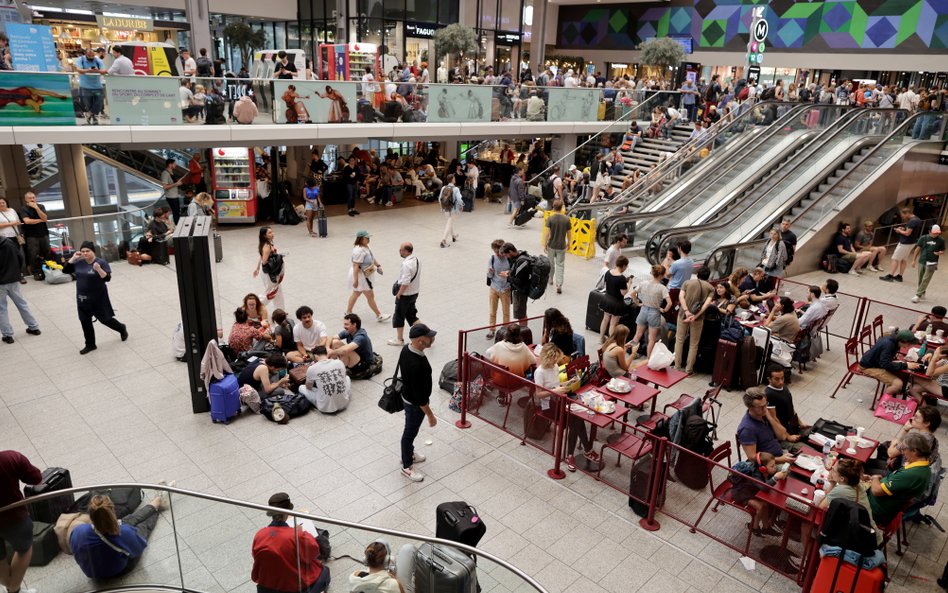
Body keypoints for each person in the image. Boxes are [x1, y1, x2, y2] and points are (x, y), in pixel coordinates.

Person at [70, 491, 166, 579]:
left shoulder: (79, 530)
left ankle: (155, 503)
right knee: (142, 527)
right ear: (113, 510)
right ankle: (157, 506)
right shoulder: (124, 533)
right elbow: (137, 549)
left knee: (127, 522)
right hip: (118, 571)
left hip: (91, 573)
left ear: (90, 515)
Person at [252, 492, 330, 593]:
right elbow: (313, 552)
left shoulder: (260, 535)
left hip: (268, 586)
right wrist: (300, 533)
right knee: (325, 571)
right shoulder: (297, 536)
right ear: (287, 512)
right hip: (294, 586)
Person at [66, 242, 128, 355]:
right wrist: (73, 258)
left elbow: (107, 278)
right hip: (82, 299)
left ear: (93, 251)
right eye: (83, 251)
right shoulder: (79, 262)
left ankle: (121, 328)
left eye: (87, 251)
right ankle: (90, 345)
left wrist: (98, 269)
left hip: (98, 298)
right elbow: (65, 270)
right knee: (85, 321)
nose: (85, 253)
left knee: (105, 319)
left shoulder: (101, 262)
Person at [867, 432, 933, 528]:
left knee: (842, 491)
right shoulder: (924, 467)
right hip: (886, 504)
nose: (902, 452)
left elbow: (876, 491)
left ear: (914, 451)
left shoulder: (910, 474)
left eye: (904, 449)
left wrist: (875, 478)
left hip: (874, 509)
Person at [398, 324, 437, 482]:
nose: (433, 338)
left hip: (409, 396)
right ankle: (407, 466)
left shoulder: (407, 349)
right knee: (409, 433)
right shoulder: (416, 365)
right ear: (420, 341)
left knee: (410, 431)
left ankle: (410, 454)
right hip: (415, 404)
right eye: (430, 337)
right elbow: (420, 398)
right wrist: (430, 416)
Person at [0, 450, 42, 593]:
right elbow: (37, 479)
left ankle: (14, 590)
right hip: (14, 517)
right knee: (24, 550)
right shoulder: (10, 458)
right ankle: (13, 590)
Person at [729, 451, 788, 536]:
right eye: (772, 466)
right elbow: (764, 487)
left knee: (765, 504)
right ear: (762, 468)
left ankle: (766, 527)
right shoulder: (755, 475)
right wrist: (775, 478)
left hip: (752, 491)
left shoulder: (764, 471)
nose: (774, 467)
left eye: (774, 465)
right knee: (760, 506)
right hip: (742, 494)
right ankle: (754, 527)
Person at [737, 390, 797, 463]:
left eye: (765, 404)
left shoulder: (764, 414)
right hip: (769, 464)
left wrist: (770, 418)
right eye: (761, 407)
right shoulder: (747, 429)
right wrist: (779, 460)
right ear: (750, 407)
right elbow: (752, 458)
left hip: (780, 451)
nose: (765, 408)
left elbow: (782, 436)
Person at [674, 265, 714, 374]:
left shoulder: (687, 283)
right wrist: (695, 316)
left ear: (697, 274)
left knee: (679, 340)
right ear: (708, 276)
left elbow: (681, 297)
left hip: (683, 315)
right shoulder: (711, 288)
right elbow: (706, 305)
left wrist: (687, 311)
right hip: (698, 318)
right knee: (694, 344)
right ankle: (689, 369)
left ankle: (677, 366)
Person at [0, 237, 40, 344]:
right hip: (13, 279)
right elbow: (20, 257)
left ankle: (8, 335)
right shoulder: (8, 242)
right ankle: (34, 327)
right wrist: (17, 273)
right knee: (22, 304)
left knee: (1, 309)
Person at [858, 329, 922, 396]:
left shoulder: (893, 340)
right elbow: (885, 364)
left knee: (902, 374)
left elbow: (884, 359)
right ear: (903, 341)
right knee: (898, 384)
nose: (909, 346)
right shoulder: (888, 345)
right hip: (868, 366)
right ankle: (883, 403)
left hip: (875, 362)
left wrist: (898, 361)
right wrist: (905, 365)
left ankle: (896, 394)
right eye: (909, 344)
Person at [345, 231, 390, 323]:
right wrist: (356, 280)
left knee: (356, 293)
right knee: (369, 295)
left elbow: (372, 258)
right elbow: (355, 266)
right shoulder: (358, 251)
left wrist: (378, 265)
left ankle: (348, 312)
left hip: (365, 275)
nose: (368, 239)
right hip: (361, 276)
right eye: (366, 238)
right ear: (361, 239)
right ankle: (379, 315)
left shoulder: (366, 246)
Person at [629, 264, 671, 360]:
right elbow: (669, 303)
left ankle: (632, 355)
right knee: (652, 339)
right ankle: (648, 359)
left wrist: (638, 303)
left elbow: (632, 293)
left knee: (637, 335)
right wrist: (664, 310)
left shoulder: (644, 283)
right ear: (661, 275)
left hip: (643, 310)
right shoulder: (662, 288)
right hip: (654, 312)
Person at [299, 345, 351, 413]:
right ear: (326, 354)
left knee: (301, 387)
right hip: (344, 403)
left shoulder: (312, 368)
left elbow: (309, 387)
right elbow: (343, 378)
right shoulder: (339, 362)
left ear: (315, 356)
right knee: (347, 378)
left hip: (325, 408)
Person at [764, 366, 809, 440]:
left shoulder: (784, 387)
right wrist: (788, 436)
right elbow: (774, 419)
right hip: (783, 434)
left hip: (793, 427)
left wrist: (800, 423)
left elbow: (791, 408)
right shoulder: (769, 394)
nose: (781, 382)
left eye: (782, 378)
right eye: (777, 379)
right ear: (769, 379)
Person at [389, 243, 421, 347]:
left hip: (405, 295)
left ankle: (399, 339)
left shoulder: (406, 264)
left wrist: (399, 294)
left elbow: (405, 282)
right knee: (411, 316)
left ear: (406, 251)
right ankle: (425, 332)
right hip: (414, 292)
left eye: (401, 250)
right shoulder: (417, 260)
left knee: (399, 316)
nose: (399, 252)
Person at [329, 313, 377, 378]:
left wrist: (331, 352)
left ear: (354, 325)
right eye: (344, 324)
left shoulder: (361, 336)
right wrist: (327, 348)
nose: (344, 326)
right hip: (355, 357)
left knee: (345, 350)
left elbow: (345, 350)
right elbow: (331, 337)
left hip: (364, 364)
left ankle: (338, 372)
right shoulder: (349, 331)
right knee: (335, 342)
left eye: (346, 324)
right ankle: (333, 366)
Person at [881, 207, 922, 282]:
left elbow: (907, 233)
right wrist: (903, 229)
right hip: (911, 243)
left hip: (905, 243)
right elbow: (911, 231)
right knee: (903, 259)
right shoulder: (917, 219)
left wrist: (899, 230)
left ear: (907, 213)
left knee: (895, 258)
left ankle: (890, 276)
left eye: (903, 215)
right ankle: (900, 276)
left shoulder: (912, 221)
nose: (902, 216)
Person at [599, 255, 633, 342]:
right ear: (624, 266)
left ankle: (601, 338)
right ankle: (611, 343)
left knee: (605, 319)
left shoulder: (608, 272)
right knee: (613, 324)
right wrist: (629, 284)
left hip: (606, 299)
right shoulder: (621, 278)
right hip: (616, 303)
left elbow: (610, 284)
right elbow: (623, 293)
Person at [18, 192, 49, 279]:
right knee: (33, 255)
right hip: (31, 236)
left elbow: (45, 218)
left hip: (44, 233)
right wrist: (40, 220)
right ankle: (36, 273)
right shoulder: (23, 209)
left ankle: (49, 269)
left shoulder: (41, 206)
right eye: (30, 198)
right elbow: (27, 221)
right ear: (26, 199)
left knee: (47, 252)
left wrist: (36, 208)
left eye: (33, 197)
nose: (32, 199)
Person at [911, 224, 945, 303]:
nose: (936, 234)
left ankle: (917, 295)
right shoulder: (923, 238)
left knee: (926, 279)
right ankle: (922, 292)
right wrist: (913, 260)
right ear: (929, 231)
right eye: (934, 233)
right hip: (922, 261)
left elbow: (942, 250)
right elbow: (917, 249)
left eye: (937, 233)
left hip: (933, 262)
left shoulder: (941, 240)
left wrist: (940, 252)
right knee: (921, 278)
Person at [544, 199, 571, 294]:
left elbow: (547, 233)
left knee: (550, 263)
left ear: (553, 207)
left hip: (551, 245)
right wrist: (569, 243)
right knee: (560, 265)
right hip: (561, 246)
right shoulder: (566, 219)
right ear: (562, 207)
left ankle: (550, 279)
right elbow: (569, 233)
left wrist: (544, 244)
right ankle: (559, 284)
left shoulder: (550, 219)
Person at [486, 239, 511, 338]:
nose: (497, 253)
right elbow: (490, 275)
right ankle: (492, 329)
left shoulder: (508, 259)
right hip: (494, 288)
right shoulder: (492, 259)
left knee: (506, 312)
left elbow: (512, 273)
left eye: (498, 251)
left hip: (506, 289)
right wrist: (490, 271)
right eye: (495, 251)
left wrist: (509, 282)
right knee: (492, 311)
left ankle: (506, 330)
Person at [75, 47, 105, 125]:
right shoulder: (80, 60)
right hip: (85, 86)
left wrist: (97, 70)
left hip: (97, 86)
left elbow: (103, 71)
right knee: (87, 104)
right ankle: (94, 117)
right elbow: (79, 70)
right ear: (86, 54)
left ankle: (90, 114)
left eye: (92, 56)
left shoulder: (98, 60)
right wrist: (88, 70)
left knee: (99, 102)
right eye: (89, 56)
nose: (91, 58)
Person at [666, 241, 694, 322]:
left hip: (674, 289)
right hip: (684, 289)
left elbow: (668, 275)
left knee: (670, 308)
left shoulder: (677, 263)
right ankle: (676, 323)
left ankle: (668, 324)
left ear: (680, 249)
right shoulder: (691, 262)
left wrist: (668, 265)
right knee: (677, 308)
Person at [439, 174, 462, 248]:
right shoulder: (456, 189)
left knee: (449, 222)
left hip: (446, 208)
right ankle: (443, 240)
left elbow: (440, 198)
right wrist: (462, 205)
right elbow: (459, 199)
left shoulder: (443, 188)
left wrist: (442, 208)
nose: (455, 179)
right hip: (453, 209)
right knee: (449, 223)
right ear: (452, 180)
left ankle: (453, 236)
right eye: (454, 178)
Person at [160, 158, 185, 223]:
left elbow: (172, 184)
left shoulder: (170, 172)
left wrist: (177, 183)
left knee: (177, 212)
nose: (176, 165)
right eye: (174, 164)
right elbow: (165, 187)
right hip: (171, 197)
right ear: (170, 164)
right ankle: (178, 226)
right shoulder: (165, 173)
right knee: (176, 212)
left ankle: (178, 224)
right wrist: (176, 184)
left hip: (174, 195)